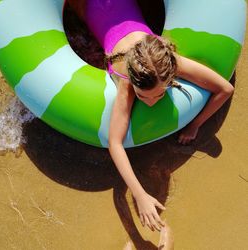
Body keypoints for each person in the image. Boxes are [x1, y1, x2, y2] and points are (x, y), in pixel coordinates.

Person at [67, 0, 234, 232]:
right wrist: (140, 194)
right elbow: (114, 142)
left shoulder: (168, 62)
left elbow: (226, 89)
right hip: (92, 7)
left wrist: (195, 124)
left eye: (159, 94)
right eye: (142, 97)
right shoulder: (126, 78)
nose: (152, 102)